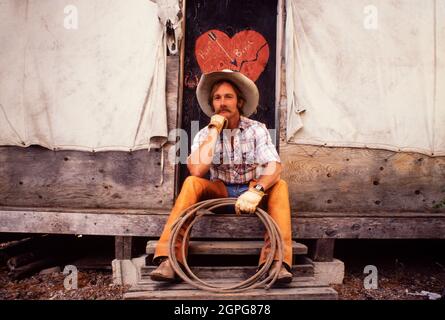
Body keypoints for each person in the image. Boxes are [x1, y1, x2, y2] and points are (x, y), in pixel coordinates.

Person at [150, 69, 293, 283]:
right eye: (217, 98)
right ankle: (170, 259)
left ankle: (276, 263)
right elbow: (197, 170)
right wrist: (215, 131)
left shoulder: (257, 129)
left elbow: (274, 165)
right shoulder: (204, 134)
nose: (222, 103)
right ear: (212, 104)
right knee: (191, 183)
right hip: (221, 191)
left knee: (279, 185)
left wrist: (257, 190)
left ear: (239, 102)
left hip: (251, 192)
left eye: (228, 97)